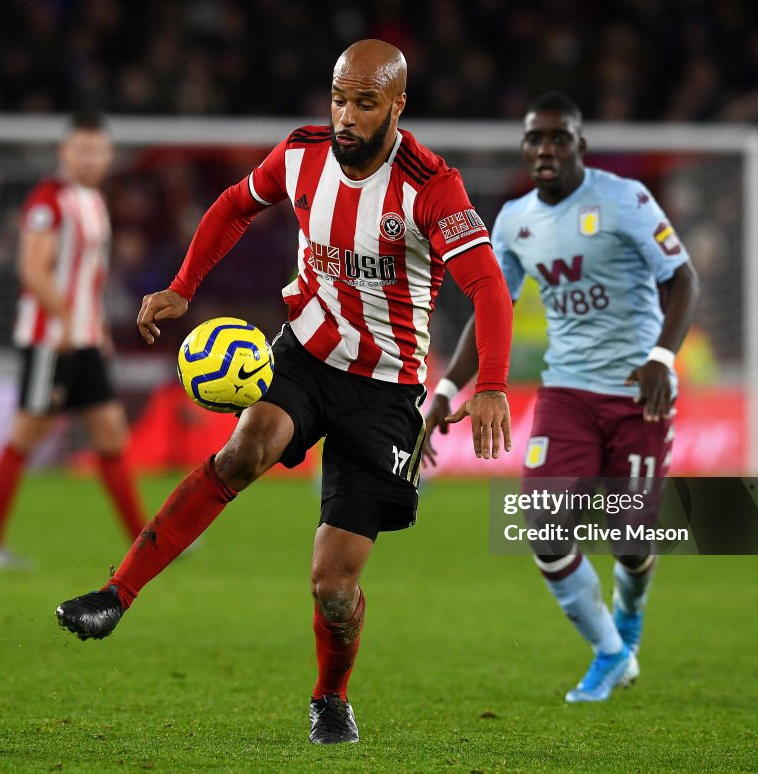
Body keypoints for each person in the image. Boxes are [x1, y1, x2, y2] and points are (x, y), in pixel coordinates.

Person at [55, 40, 514, 744]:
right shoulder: (300, 154)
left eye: (365, 103)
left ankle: (331, 695)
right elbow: (234, 205)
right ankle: (116, 593)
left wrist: (492, 386)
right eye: (339, 98)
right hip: (304, 352)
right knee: (246, 450)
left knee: (333, 588)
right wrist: (183, 288)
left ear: (397, 105)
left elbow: (488, 286)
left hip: (386, 392)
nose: (346, 115)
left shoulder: (430, 185)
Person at [424, 92, 699, 703]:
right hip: (567, 391)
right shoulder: (515, 219)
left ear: (580, 146)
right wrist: (446, 388)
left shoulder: (625, 199)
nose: (545, 149)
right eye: (534, 139)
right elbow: (492, 308)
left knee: (632, 541)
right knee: (545, 529)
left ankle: (628, 617)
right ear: (524, 148)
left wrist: (660, 356)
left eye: (557, 138)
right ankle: (609, 653)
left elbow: (683, 278)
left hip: (638, 390)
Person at [0, 111, 147, 570]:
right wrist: (70, 322)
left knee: (111, 434)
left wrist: (96, 329)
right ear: (63, 153)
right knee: (25, 437)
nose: (89, 159)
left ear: (108, 156)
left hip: (84, 338)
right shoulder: (47, 201)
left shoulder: (93, 200)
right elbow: (33, 271)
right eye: (81, 150)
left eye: (97, 151)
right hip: (52, 340)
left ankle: (146, 544)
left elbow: (88, 278)